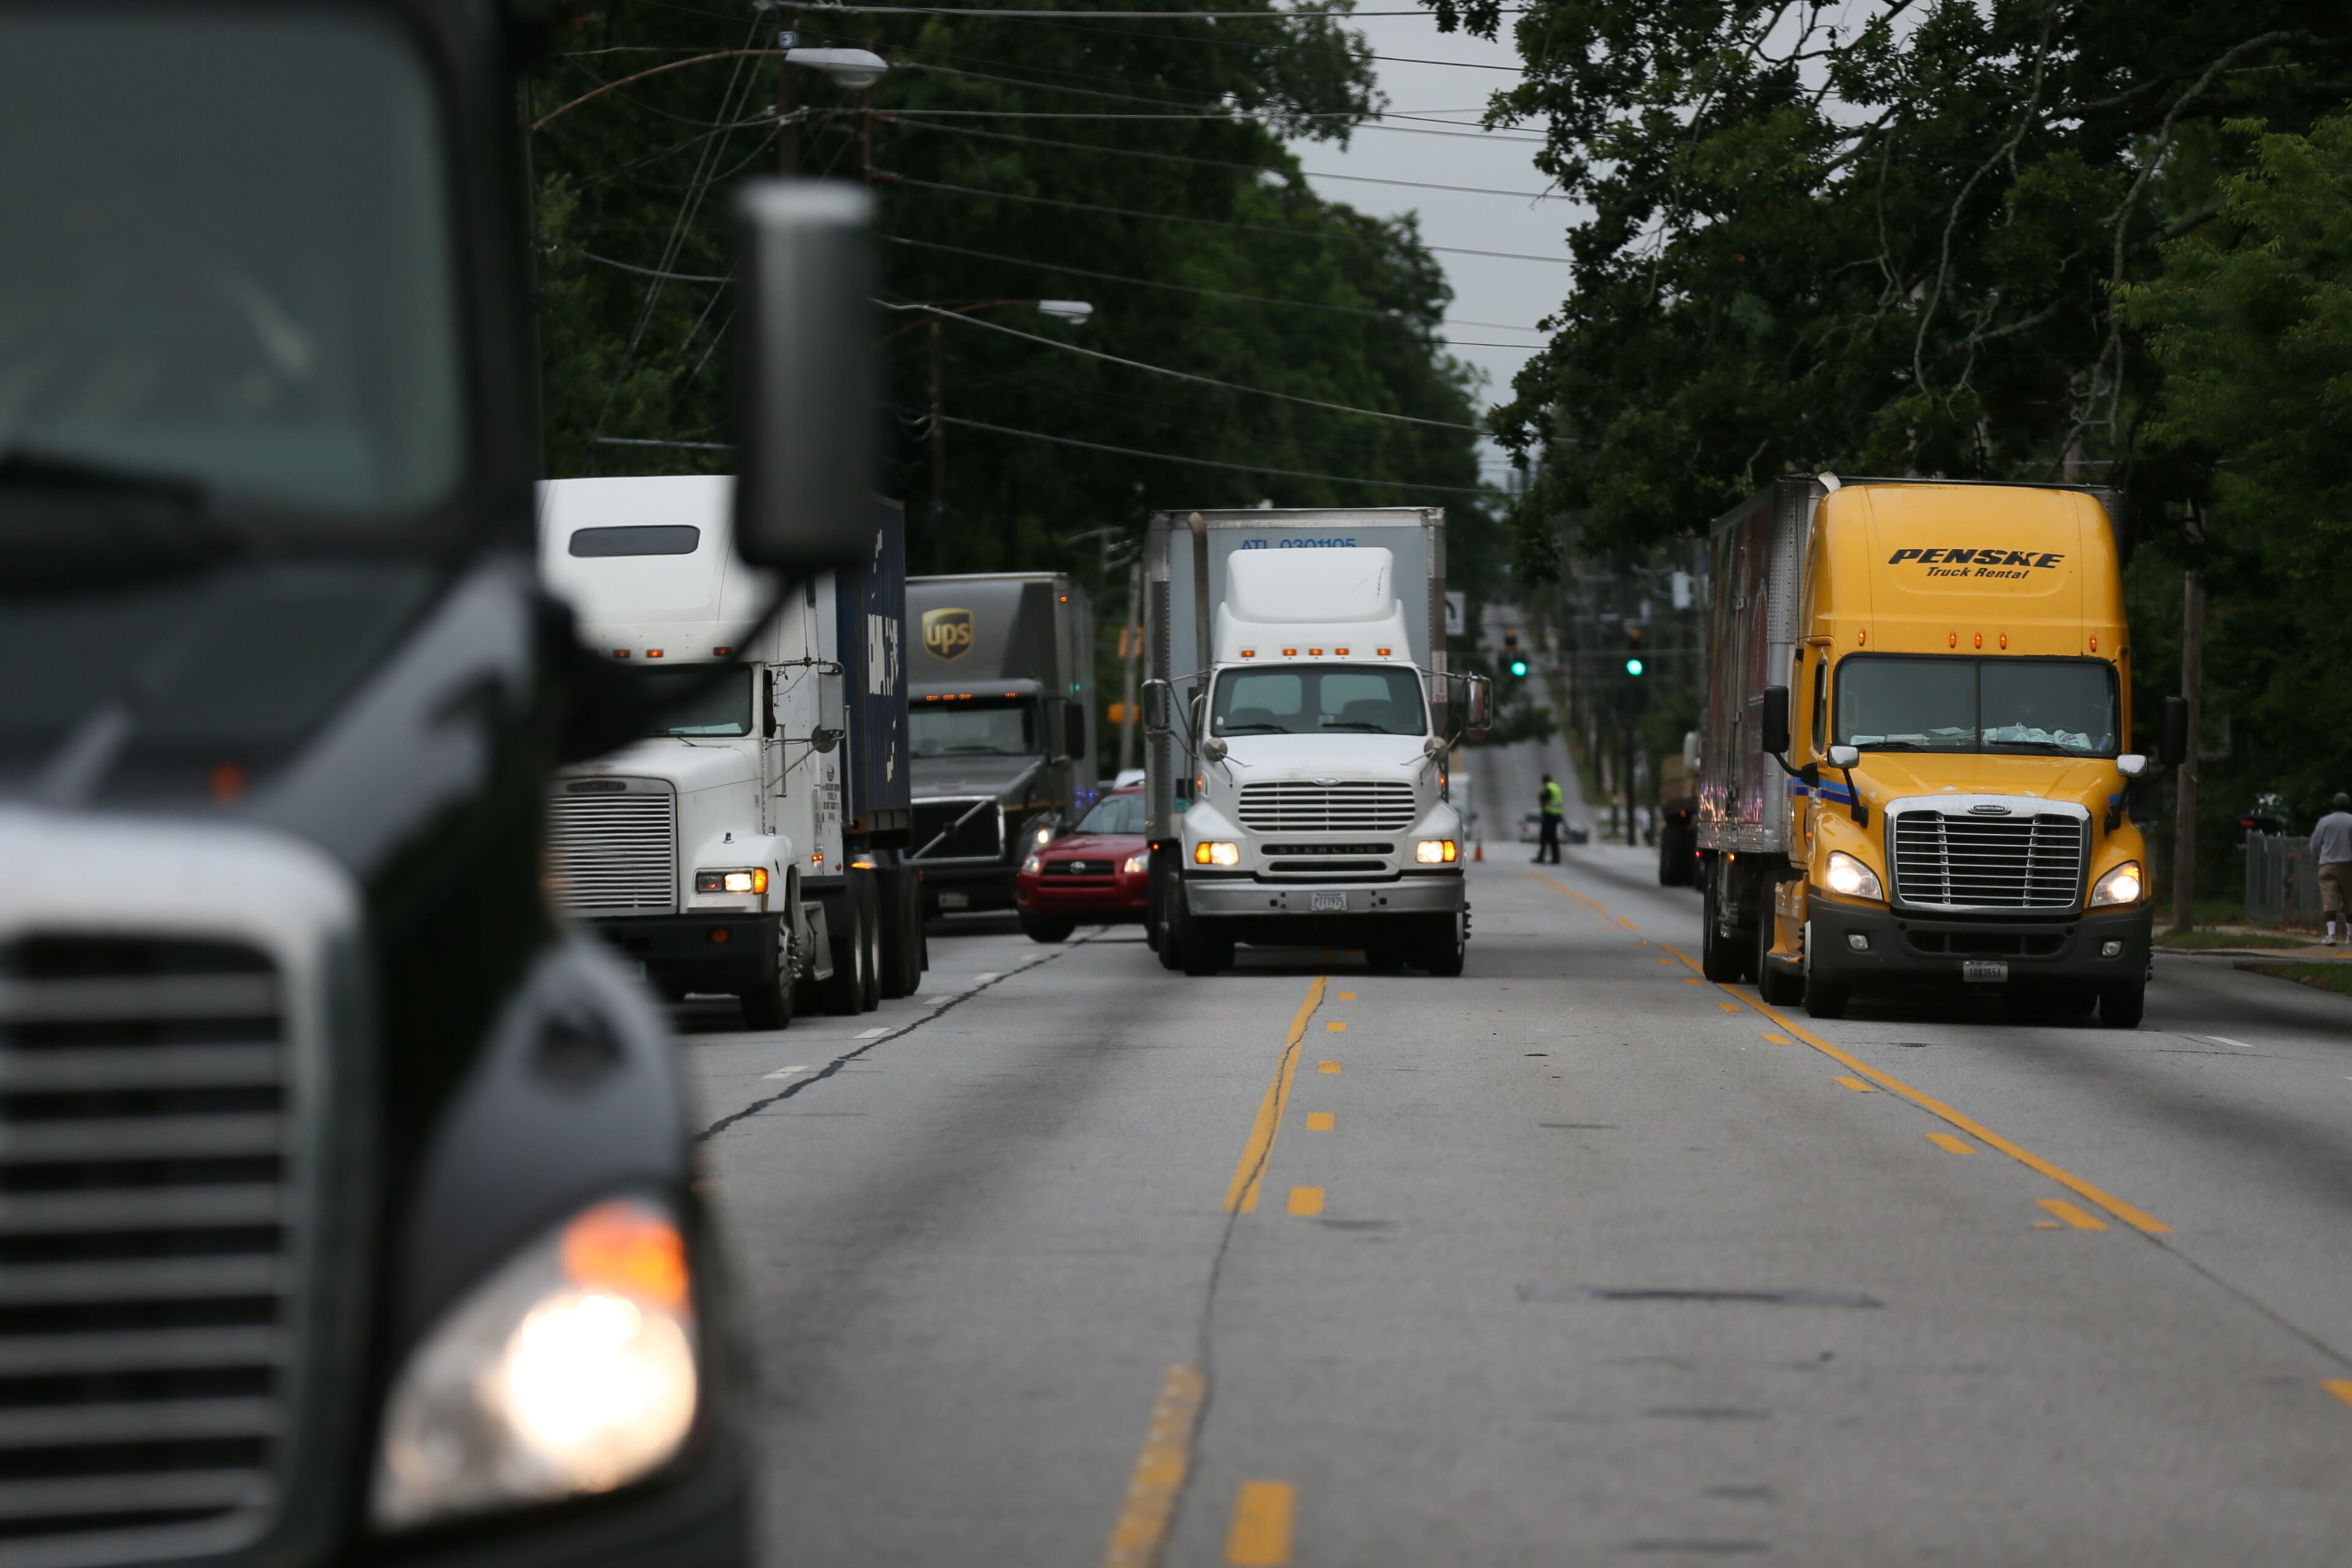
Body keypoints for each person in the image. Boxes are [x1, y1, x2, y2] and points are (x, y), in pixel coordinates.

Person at [2312, 793, 2352, 945]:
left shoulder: (2325, 822)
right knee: (2350, 899)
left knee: (2330, 899)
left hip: (2328, 864)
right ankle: (2350, 935)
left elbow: (2315, 843)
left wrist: (2318, 857)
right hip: (2348, 865)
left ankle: (2331, 934)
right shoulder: (2351, 821)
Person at [1535, 772, 1564, 864]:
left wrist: (1542, 803)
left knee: (1544, 837)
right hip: (1557, 815)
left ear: (1544, 781)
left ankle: (1541, 858)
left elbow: (1543, 799)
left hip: (1549, 815)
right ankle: (1556, 858)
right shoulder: (1556, 787)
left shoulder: (1548, 788)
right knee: (1552, 838)